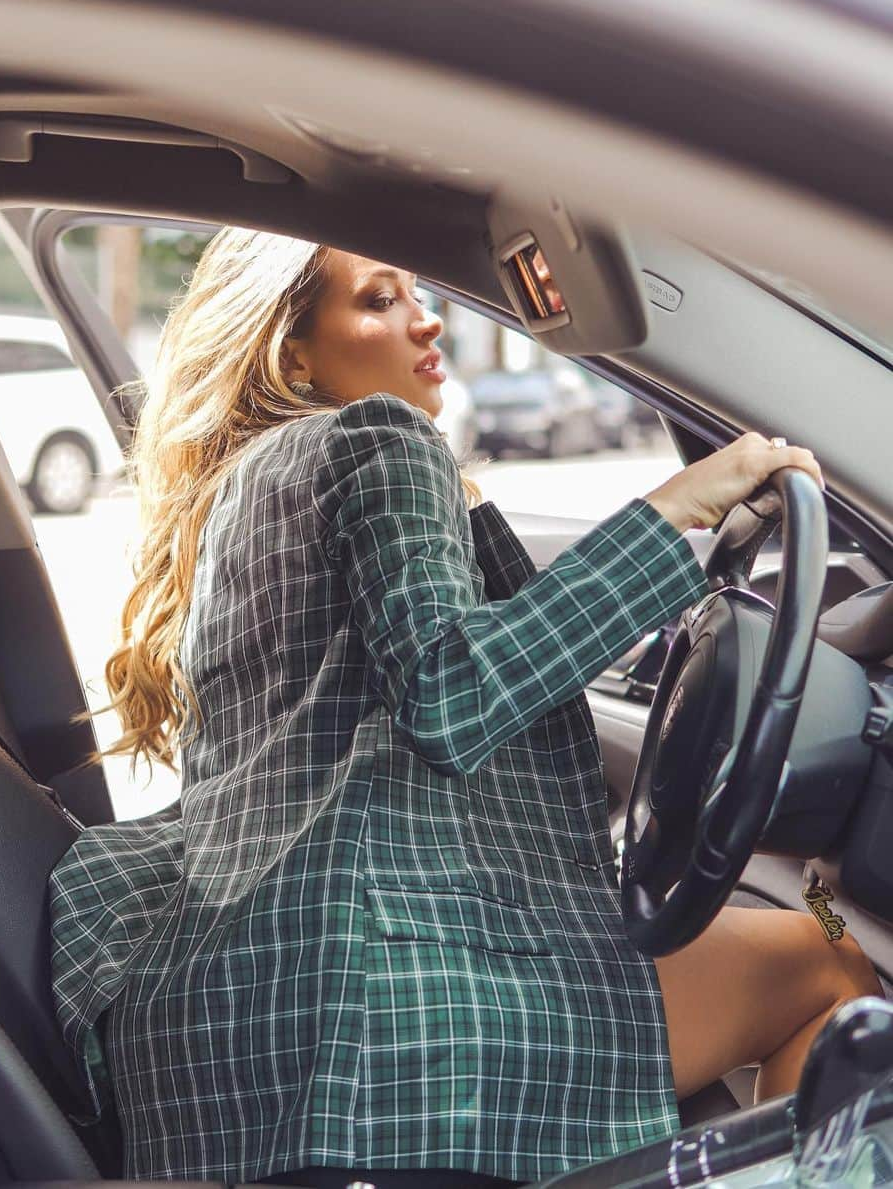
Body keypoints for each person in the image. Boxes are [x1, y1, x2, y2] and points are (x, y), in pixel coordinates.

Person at [49, 228, 879, 1188]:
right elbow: (453, 692)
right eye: (377, 298)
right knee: (832, 955)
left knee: (800, 930)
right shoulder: (380, 437)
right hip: (397, 1013)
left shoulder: (241, 492)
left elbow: (418, 678)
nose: (424, 316)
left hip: (237, 1016)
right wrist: (681, 507)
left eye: (414, 291)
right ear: (293, 353)